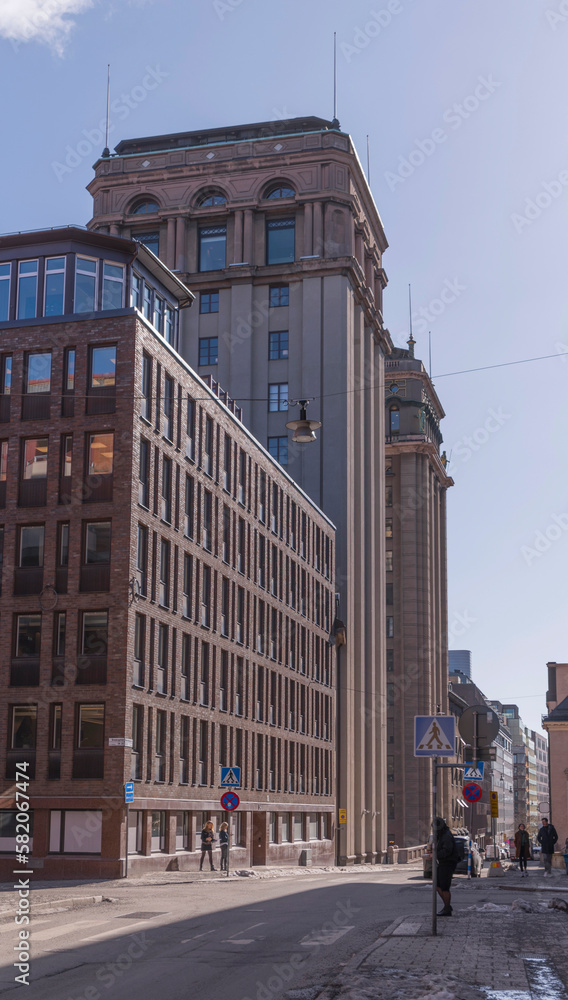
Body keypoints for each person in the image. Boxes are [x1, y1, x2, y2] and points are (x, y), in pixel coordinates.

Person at [434, 817, 460, 916]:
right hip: (443, 863)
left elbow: (447, 851)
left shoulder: (446, 836)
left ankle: (447, 908)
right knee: (437, 885)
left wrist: (435, 855)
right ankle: (447, 906)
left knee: (444, 887)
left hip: (447, 863)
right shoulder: (443, 835)